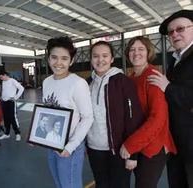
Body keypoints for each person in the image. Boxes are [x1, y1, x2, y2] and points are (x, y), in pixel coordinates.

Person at [120, 36, 177, 188]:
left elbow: (158, 118)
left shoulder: (152, 76)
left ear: (148, 52)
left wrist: (131, 145)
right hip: (137, 146)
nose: (136, 53)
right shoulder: (130, 79)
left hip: (152, 147)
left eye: (140, 49)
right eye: (132, 49)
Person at [86, 41, 143, 188]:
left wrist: (133, 153)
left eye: (105, 55)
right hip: (94, 149)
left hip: (120, 150)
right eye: (96, 56)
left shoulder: (123, 82)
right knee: (102, 185)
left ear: (112, 59)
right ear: (91, 59)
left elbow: (133, 119)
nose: (100, 60)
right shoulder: (87, 83)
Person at [148, 10, 193, 188]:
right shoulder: (174, 60)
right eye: (171, 32)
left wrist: (167, 87)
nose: (175, 34)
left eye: (180, 28)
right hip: (176, 144)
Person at [42, 36, 93, 188]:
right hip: (52, 143)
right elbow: (47, 110)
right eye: (54, 57)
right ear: (48, 58)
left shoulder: (78, 83)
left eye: (64, 58)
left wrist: (70, 146)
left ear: (71, 61)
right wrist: (37, 134)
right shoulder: (47, 81)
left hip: (70, 147)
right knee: (60, 184)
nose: (58, 63)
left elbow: (88, 117)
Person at [0, 71, 24, 141]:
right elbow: (5, 91)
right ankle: (7, 134)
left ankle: (17, 134)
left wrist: (15, 97)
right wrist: (2, 98)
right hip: (4, 102)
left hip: (11, 102)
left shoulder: (12, 81)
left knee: (13, 118)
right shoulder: (3, 82)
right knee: (6, 118)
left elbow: (21, 88)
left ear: (5, 75)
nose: (1, 78)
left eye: (1, 77)